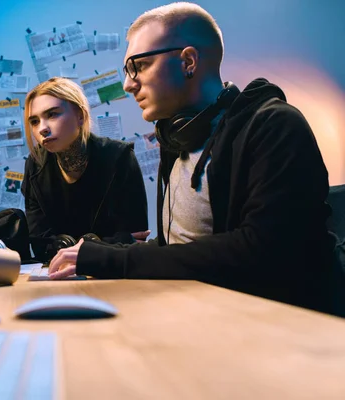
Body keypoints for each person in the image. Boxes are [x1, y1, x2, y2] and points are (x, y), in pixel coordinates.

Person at [48, 2, 340, 314]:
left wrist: (109, 258)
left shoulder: (274, 125)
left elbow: (261, 251)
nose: (128, 84)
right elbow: (178, 249)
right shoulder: (177, 142)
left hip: (280, 330)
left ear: (188, 61)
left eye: (139, 66)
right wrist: (96, 251)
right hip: (200, 313)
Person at [21, 77, 149, 259]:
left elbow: (135, 238)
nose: (42, 129)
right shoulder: (35, 166)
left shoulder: (119, 157)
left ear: (80, 116)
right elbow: (40, 243)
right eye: (34, 121)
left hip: (112, 272)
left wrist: (87, 248)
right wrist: (102, 243)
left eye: (52, 114)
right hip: (58, 272)